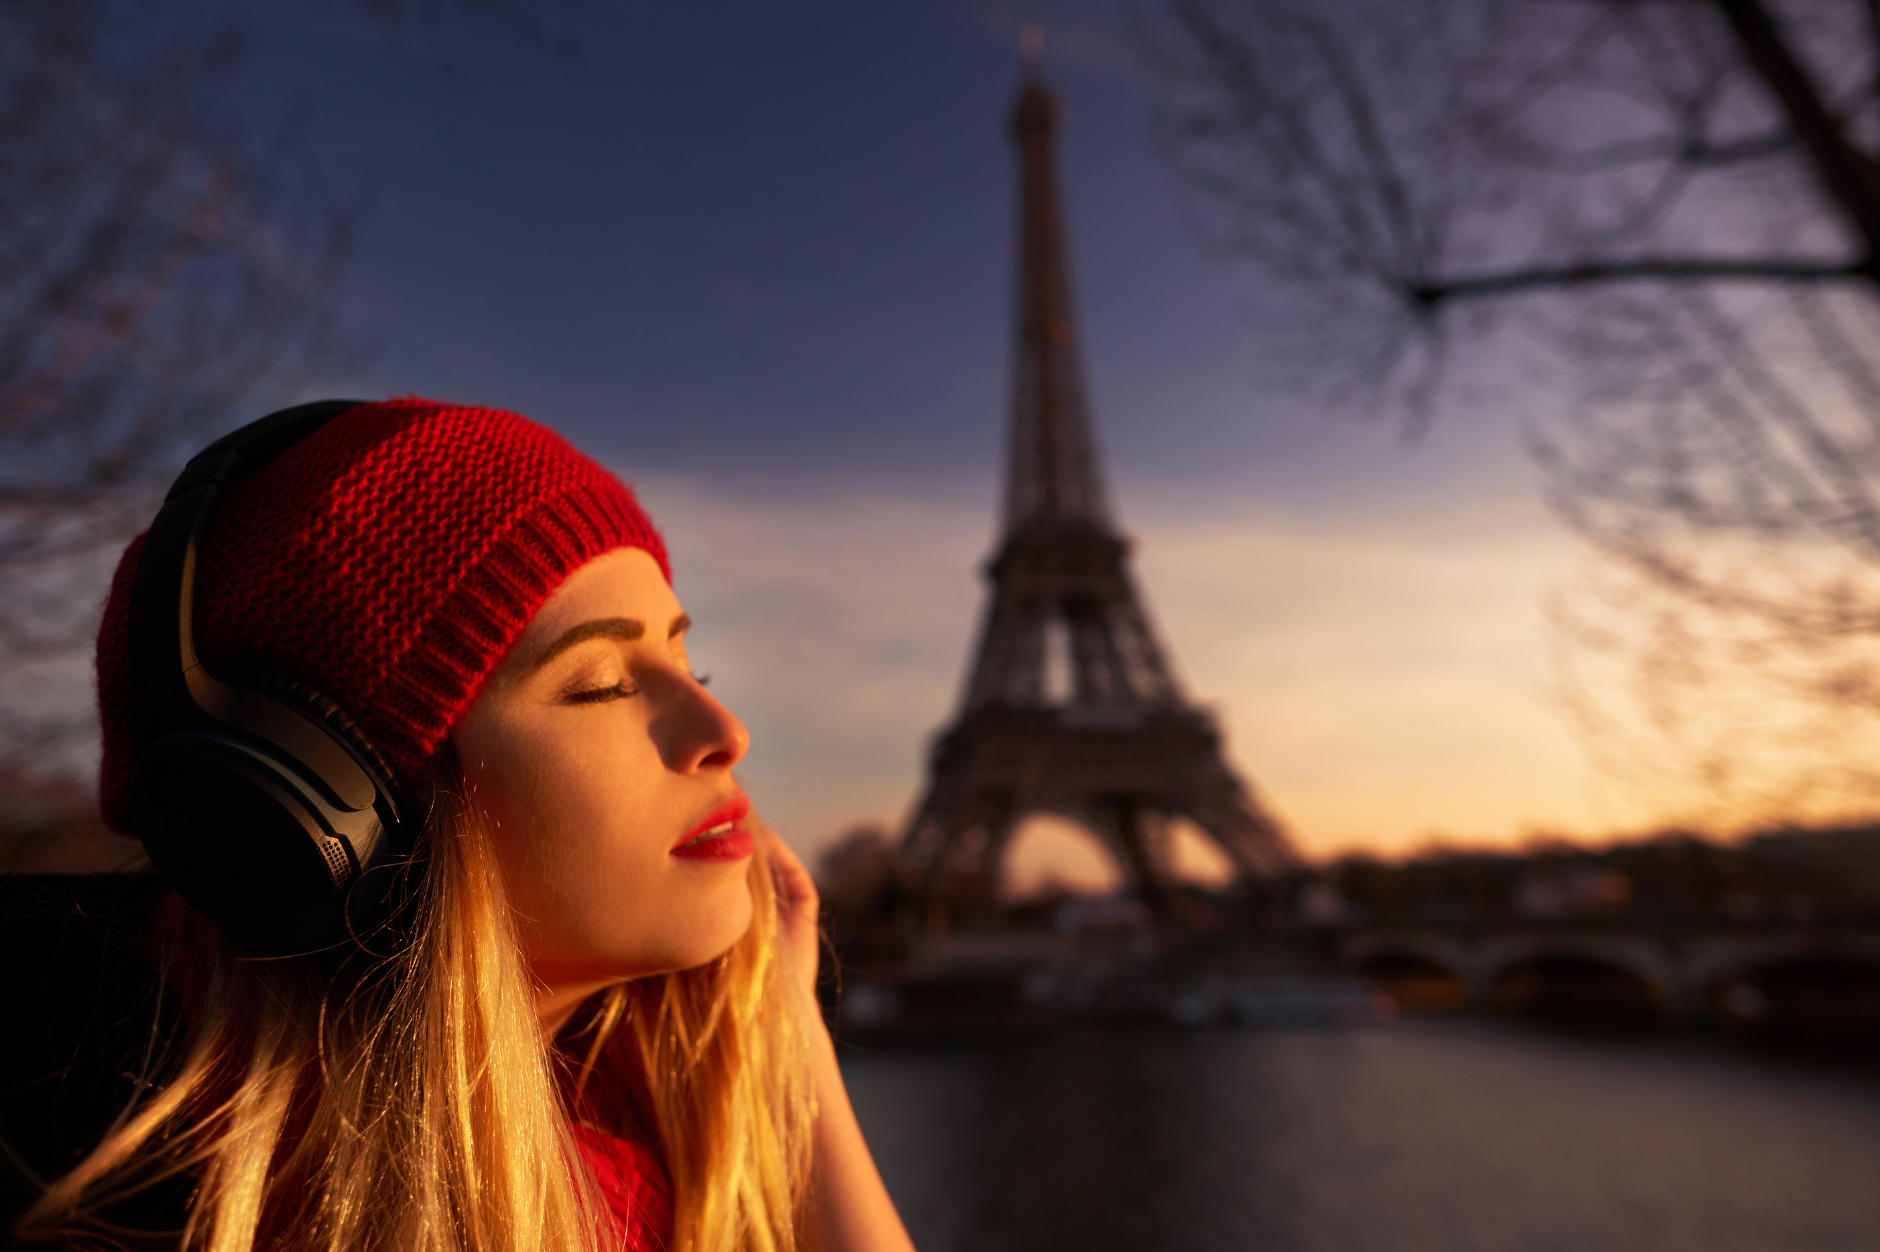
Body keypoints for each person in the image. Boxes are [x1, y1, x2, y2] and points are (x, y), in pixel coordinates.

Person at [2, 397, 917, 1252]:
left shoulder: (631, 1118)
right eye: (600, 684)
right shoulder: (133, 1188)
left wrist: (788, 1048)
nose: (727, 731)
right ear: (336, 818)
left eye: (690, 664)